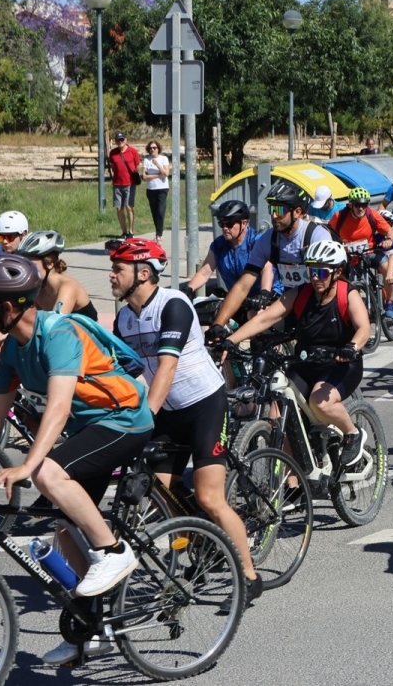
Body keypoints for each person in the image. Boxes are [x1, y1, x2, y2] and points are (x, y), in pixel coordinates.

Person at [0, 254, 153, 664]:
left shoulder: (57, 333)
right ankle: (97, 630)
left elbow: (57, 409)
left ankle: (113, 551)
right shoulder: (17, 347)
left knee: (48, 474)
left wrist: (26, 466)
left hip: (124, 419)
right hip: (89, 428)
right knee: (64, 529)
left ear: (8, 306)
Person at [108, 239, 263, 604]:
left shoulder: (172, 306)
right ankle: (206, 542)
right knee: (161, 488)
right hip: (167, 411)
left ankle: (249, 575)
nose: (111, 276)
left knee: (209, 496)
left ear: (142, 274)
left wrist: (143, 418)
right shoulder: (125, 317)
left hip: (204, 404)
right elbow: (122, 371)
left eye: (118, 269)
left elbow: (167, 366)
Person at [225, 239, 371, 468]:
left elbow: (364, 328)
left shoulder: (347, 295)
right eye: (311, 270)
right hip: (305, 363)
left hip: (340, 364)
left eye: (321, 272)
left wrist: (352, 347)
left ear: (338, 272)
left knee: (320, 403)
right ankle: (294, 487)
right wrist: (230, 341)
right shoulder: (301, 295)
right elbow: (265, 318)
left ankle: (352, 434)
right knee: (280, 416)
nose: (315, 277)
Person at [208, 181, 334, 335]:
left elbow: (330, 282)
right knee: (255, 320)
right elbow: (243, 285)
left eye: (280, 209)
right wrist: (218, 325)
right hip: (288, 301)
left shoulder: (316, 236)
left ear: (298, 212)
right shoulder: (268, 240)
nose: (274, 215)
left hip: (319, 303)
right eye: (272, 209)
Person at [184, 200, 277, 303]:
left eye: (229, 224)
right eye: (221, 224)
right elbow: (204, 273)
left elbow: (267, 270)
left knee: (254, 315)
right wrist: (188, 290)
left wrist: (264, 294)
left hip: (266, 297)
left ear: (244, 223)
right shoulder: (219, 245)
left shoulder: (257, 241)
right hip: (238, 299)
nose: (224, 228)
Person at [328, 187, 393, 308]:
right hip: (350, 256)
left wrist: (389, 240)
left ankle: (390, 302)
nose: (361, 208)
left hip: (370, 251)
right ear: (351, 205)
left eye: (364, 205)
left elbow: (390, 231)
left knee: (388, 269)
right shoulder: (339, 217)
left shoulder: (372, 215)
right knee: (343, 281)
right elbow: (328, 233)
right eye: (357, 205)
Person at [17, 230, 98, 320]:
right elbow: (34, 323)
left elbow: (54, 324)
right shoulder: (39, 290)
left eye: (30, 263)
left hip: (86, 334)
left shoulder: (68, 287)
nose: (25, 269)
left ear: (49, 263)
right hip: (65, 333)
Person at [108, 132, 142, 239]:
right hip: (117, 183)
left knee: (129, 207)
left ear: (126, 140)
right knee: (119, 208)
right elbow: (113, 167)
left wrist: (134, 174)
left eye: (122, 140)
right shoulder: (113, 153)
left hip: (130, 183)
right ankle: (124, 231)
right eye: (118, 140)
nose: (120, 142)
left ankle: (131, 231)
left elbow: (138, 165)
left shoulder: (132, 151)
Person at [141, 140, 171, 244]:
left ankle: (159, 235)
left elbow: (166, 173)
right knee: (154, 212)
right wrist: (158, 175)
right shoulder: (146, 160)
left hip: (162, 188)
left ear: (158, 148)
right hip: (151, 189)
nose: (152, 150)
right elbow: (144, 177)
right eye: (150, 148)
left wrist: (157, 164)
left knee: (160, 211)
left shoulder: (163, 159)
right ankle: (158, 233)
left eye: (154, 148)